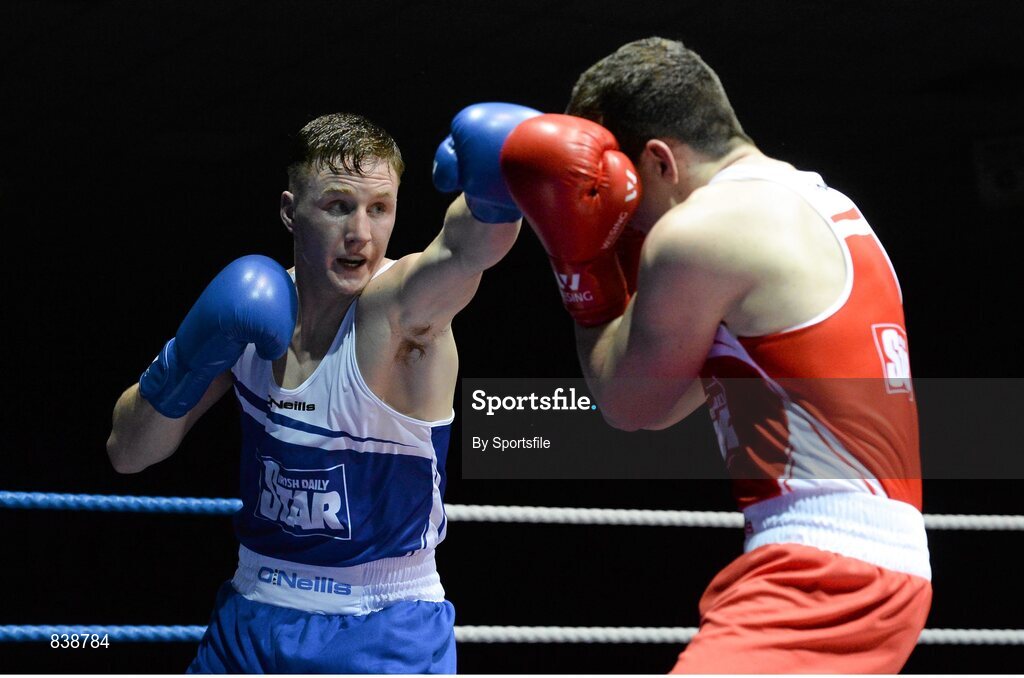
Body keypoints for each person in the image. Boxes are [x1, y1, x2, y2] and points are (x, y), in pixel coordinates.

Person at [500, 37, 931, 673]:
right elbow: (672, 399)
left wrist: (580, 259)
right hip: (869, 561)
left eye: (619, 189)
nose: (625, 215)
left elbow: (628, 403)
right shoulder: (827, 205)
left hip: (823, 569)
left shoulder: (699, 232)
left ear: (657, 161)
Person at [106, 105, 538, 673]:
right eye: (338, 207)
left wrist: (505, 177)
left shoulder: (399, 311)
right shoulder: (250, 309)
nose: (361, 234)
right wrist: (190, 353)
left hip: (382, 623)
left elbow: (465, 252)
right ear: (291, 212)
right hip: (251, 612)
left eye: (379, 209)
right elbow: (128, 453)